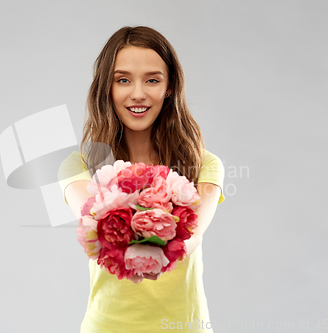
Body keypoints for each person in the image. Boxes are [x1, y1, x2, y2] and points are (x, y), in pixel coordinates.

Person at [58, 26, 225, 333]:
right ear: (106, 88)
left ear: (170, 86)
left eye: (152, 80)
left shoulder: (204, 165)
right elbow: (98, 226)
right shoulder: (78, 166)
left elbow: (190, 237)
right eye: (123, 80)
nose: (137, 93)